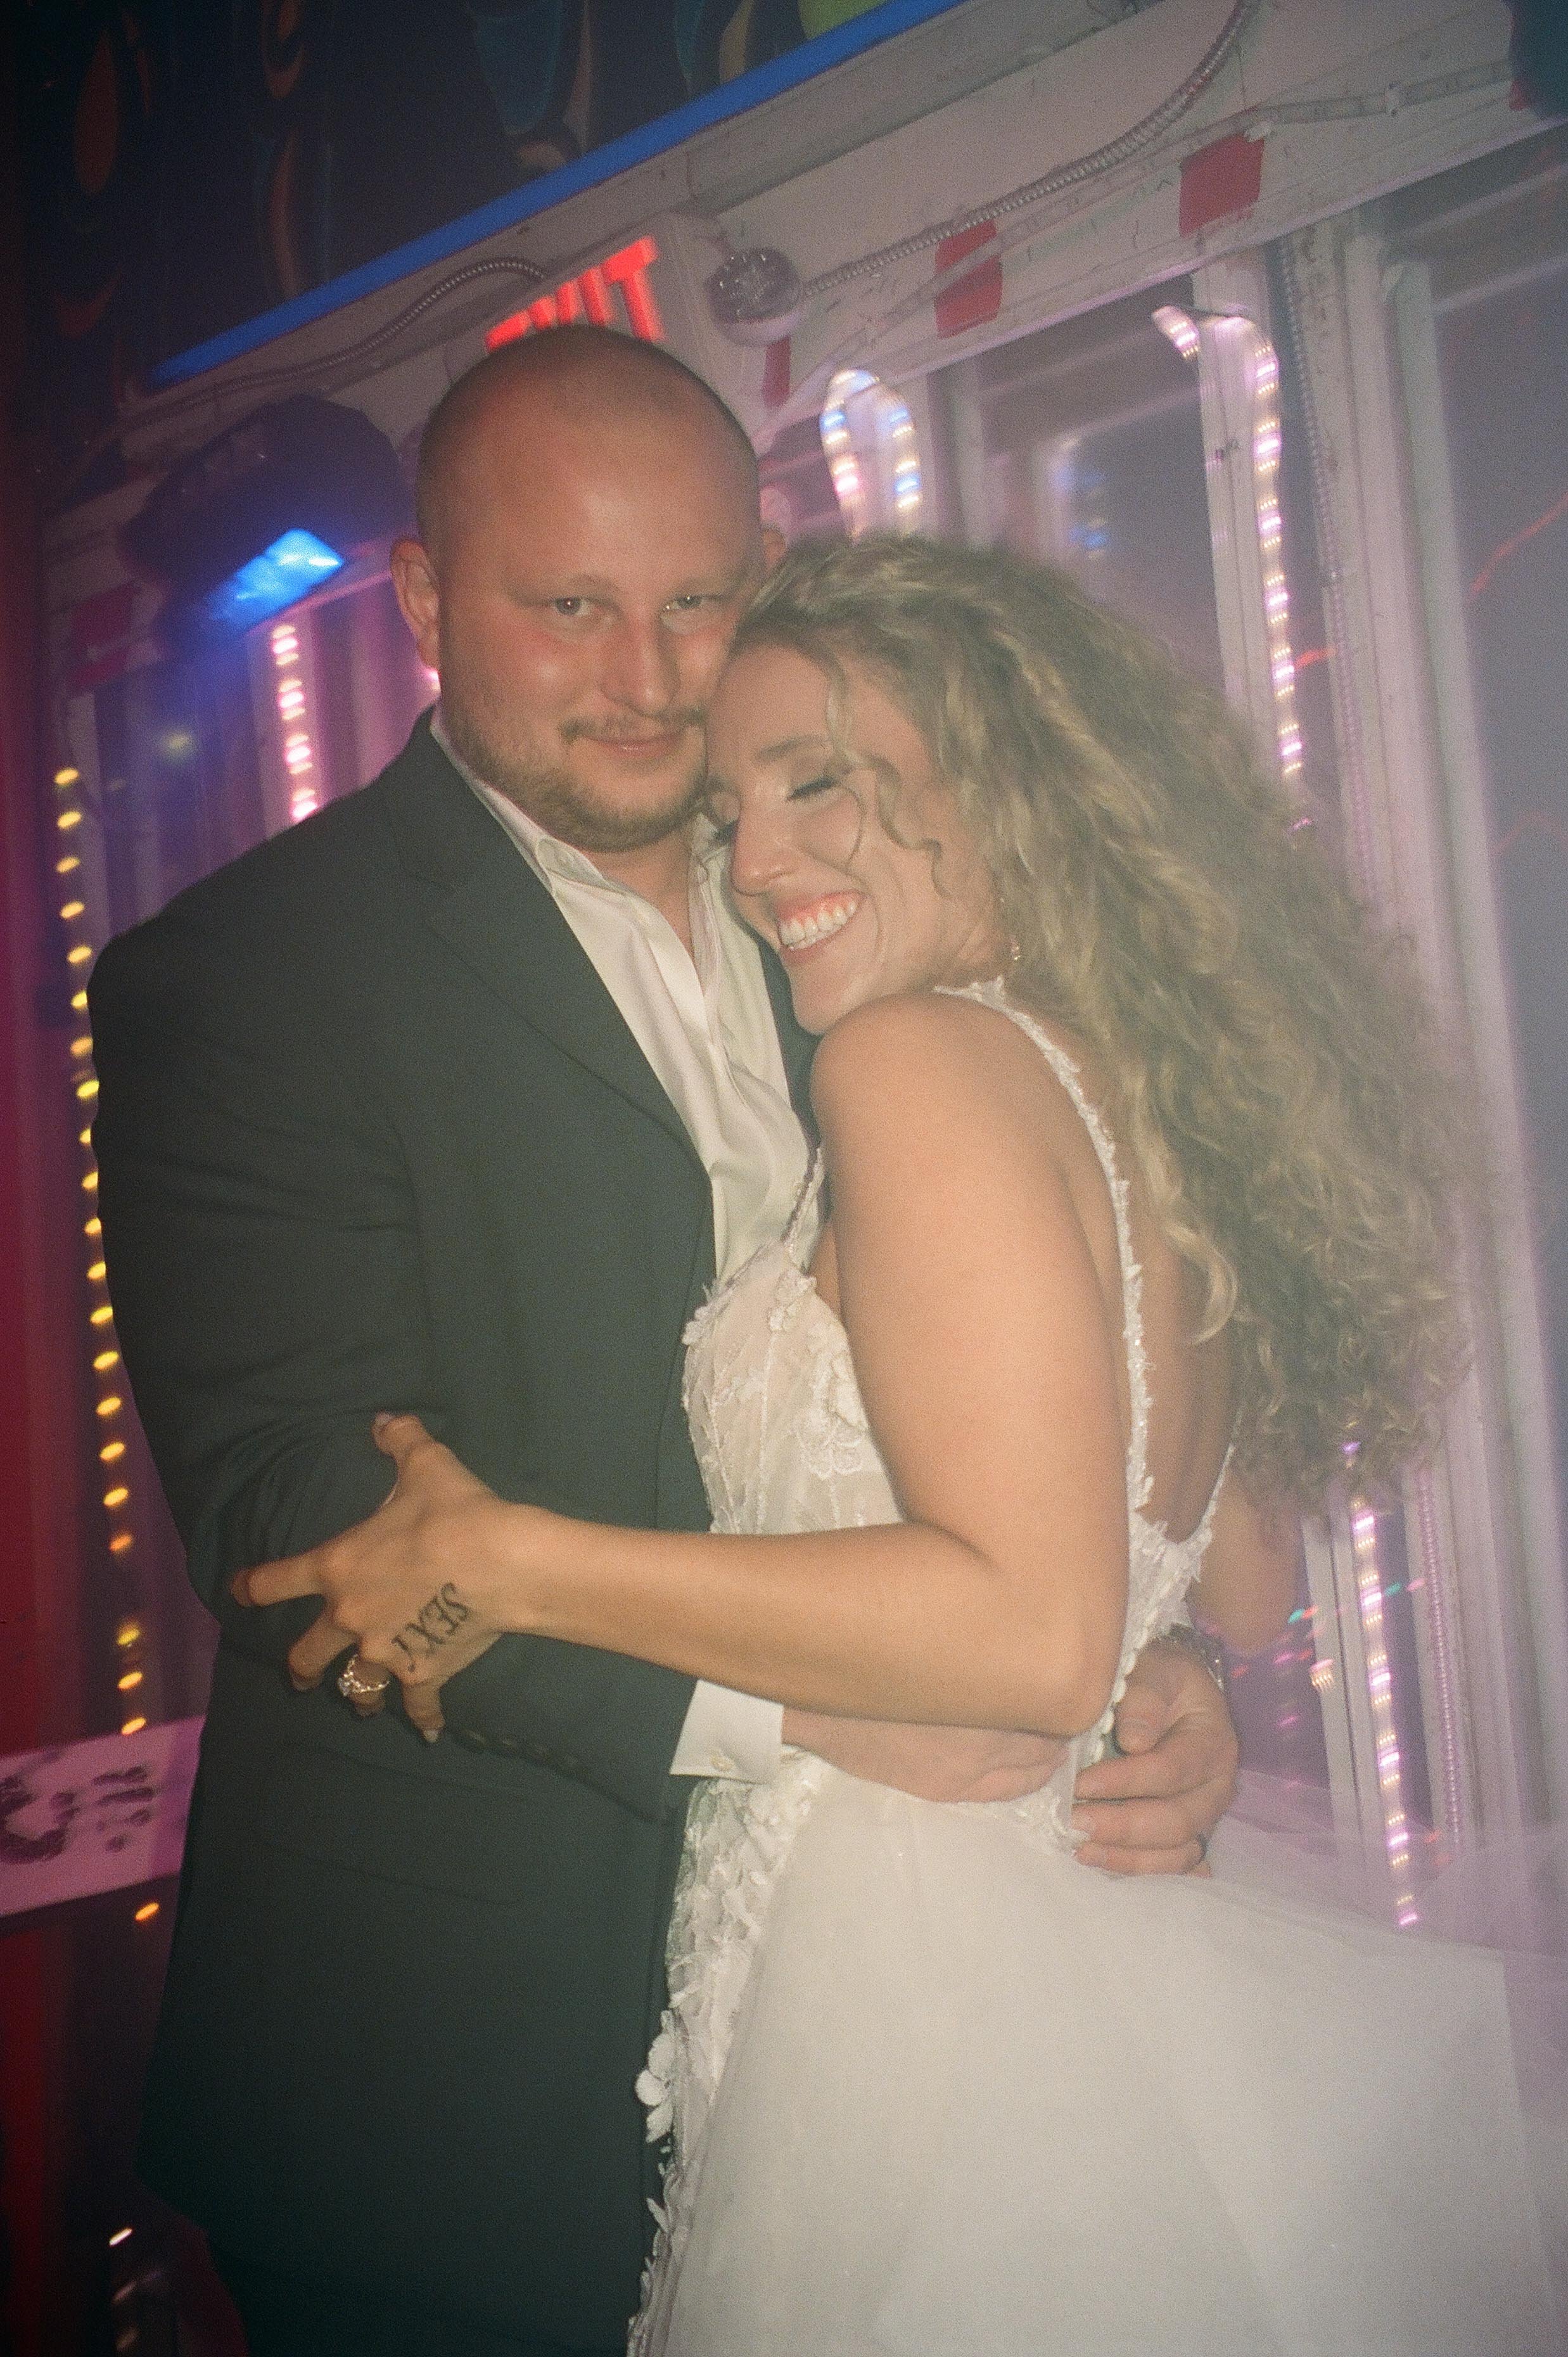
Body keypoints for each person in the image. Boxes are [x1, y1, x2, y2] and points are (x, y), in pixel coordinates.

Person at [241, 533, 1564, 2355]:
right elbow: (1229, 1581)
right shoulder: (1138, 1086)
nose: (762, 862)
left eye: (822, 790)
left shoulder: (914, 1064)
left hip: (921, 1983)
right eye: (735, 811)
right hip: (1079, 1936)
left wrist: (512, 1556)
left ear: (1001, 790)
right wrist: (1154, 1660)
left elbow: (1026, 1635)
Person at [89, 331, 1238, 2356]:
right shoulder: (245, 980)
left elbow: (1082, 1356)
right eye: (568, 609)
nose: (643, 675)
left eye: (695, 602)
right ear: (430, 603)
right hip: (446, 2065)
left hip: (897, 1999)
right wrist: (796, 1711)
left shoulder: (865, 894)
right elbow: (298, 1513)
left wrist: (1169, 1663)